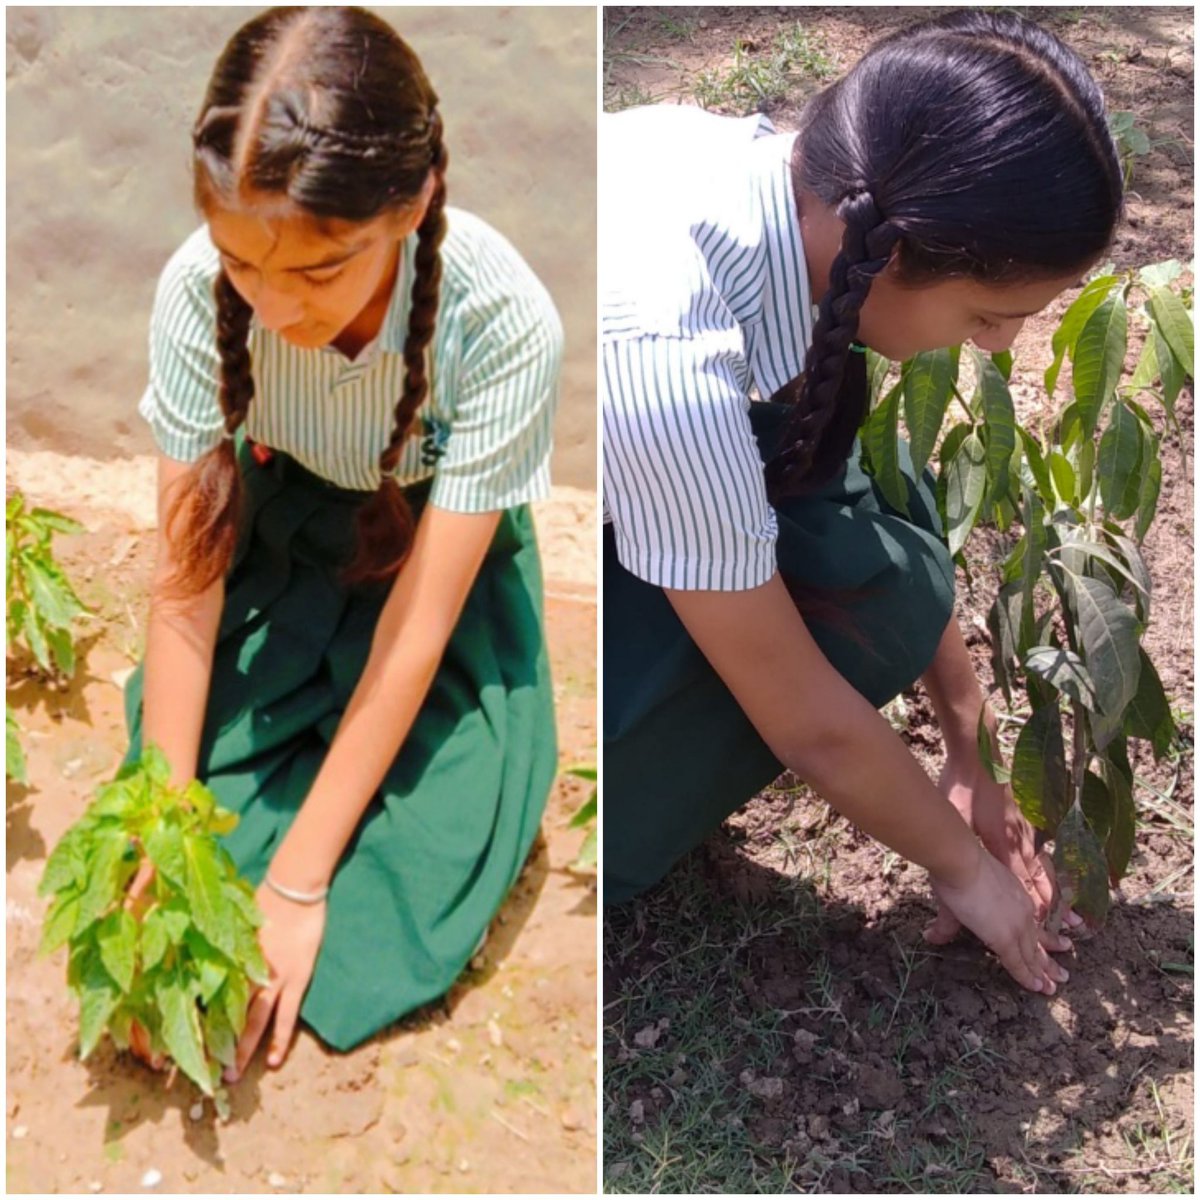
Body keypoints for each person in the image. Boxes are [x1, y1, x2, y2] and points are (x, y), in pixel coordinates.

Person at [603, 9, 1124, 992]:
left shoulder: (782, 184)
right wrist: (965, 869)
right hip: (431, 545)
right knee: (595, 803)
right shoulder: (667, 355)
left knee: (876, 582)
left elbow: (840, 492)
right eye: (987, 315)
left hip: (593, 481)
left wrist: (968, 748)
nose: (1000, 349)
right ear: (893, 252)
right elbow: (807, 718)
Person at [119, 6, 563, 1078]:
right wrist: (167, 829)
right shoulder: (192, 292)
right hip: (272, 549)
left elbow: (417, 635)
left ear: (408, 208)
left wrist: (300, 882)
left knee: (432, 861)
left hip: (422, 572)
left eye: (318, 273)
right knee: (192, 797)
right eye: (244, 266)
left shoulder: (501, 323)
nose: (272, 309)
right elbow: (187, 583)